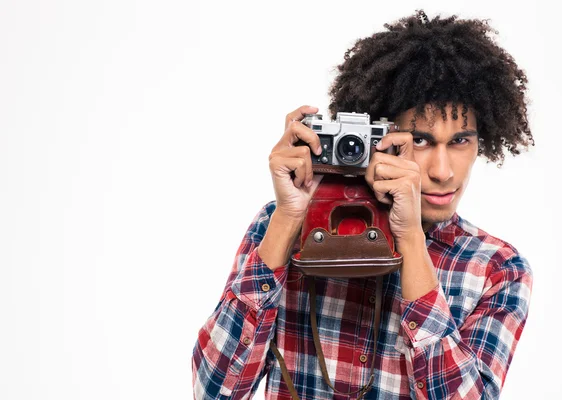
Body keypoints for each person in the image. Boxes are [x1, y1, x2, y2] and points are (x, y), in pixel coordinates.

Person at [191, 10, 534, 400]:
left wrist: (409, 240)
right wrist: (288, 219)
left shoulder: (497, 268)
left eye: (460, 141)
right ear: (377, 138)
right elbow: (214, 390)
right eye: (419, 141)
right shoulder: (283, 227)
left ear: (481, 143)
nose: (441, 171)